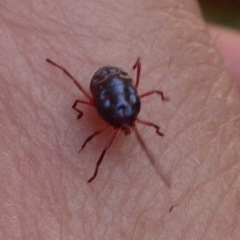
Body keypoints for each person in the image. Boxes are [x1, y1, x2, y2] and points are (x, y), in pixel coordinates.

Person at [1, 1, 240, 239]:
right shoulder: (124, 117)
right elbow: (92, 110)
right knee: (100, 137)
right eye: (128, 127)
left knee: (110, 127)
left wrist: (148, 119)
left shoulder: (128, 115)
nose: (127, 130)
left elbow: (150, 95)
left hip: (113, 87)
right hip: (111, 83)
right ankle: (60, 70)